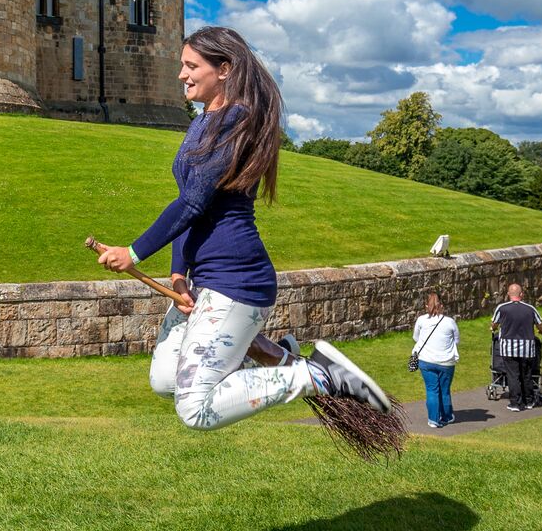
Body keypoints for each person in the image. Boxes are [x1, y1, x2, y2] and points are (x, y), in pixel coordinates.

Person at [93, 27, 392, 430]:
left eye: (191, 65)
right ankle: (278, 356)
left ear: (224, 69)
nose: (182, 74)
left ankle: (320, 375)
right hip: (204, 278)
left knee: (195, 410)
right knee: (165, 380)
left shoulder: (237, 119)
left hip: (236, 280)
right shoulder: (204, 120)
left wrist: (133, 253)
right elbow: (190, 203)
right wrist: (179, 275)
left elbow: (193, 202)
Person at [490, 284, 542, 411]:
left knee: (513, 375)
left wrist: (493, 328)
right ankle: (529, 400)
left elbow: (494, 324)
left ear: (509, 294)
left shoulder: (502, 308)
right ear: (522, 294)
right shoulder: (530, 309)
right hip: (527, 348)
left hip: (508, 348)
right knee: (526, 374)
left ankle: (515, 402)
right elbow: (540, 324)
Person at [412, 292, 459, 428]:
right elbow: (456, 340)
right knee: (444, 390)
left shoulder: (421, 320)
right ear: (442, 306)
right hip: (446, 362)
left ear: (427, 306)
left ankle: (433, 419)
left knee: (432, 390)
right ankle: (446, 416)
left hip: (426, 360)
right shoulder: (450, 322)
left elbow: (416, 338)